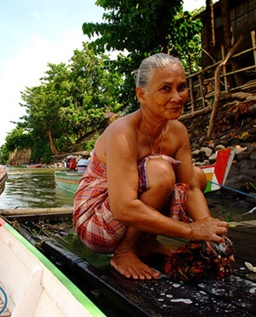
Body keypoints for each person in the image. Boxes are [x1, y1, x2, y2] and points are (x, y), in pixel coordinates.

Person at [73, 53, 229, 280]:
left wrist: (210, 234)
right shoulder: (122, 132)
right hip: (95, 222)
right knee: (161, 172)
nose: (177, 97)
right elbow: (123, 208)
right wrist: (191, 231)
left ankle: (145, 243)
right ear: (142, 95)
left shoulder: (178, 132)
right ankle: (124, 251)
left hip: (126, 217)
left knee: (196, 176)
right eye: (166, 89)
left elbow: (191, 188)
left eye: (182, 87)